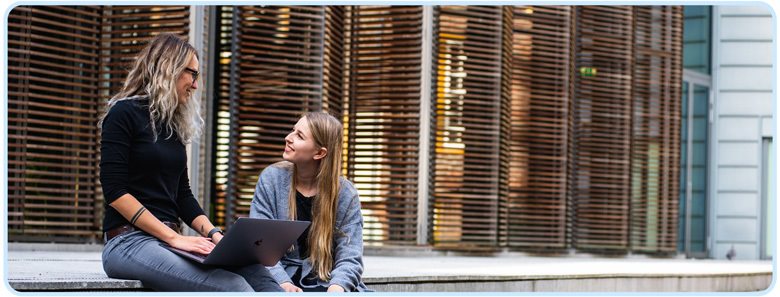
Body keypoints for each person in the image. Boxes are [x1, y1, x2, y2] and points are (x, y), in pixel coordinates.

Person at [98, 33, 282, 292]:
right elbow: (115, 192)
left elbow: (182, 196)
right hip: (128, 242)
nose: (195, 85)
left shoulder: (172, 125)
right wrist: (175, 238)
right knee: (234, 286)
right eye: (192, 74)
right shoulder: (123, 113)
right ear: (169, 68)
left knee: (258, 275)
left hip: (167, 242)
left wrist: (216, 236)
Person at [250, 112, 370, 292]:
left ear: (320, 153)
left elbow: (350, 255)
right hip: (275, 278)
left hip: (325, 279)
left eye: (299, 136)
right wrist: (282, 283)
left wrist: (338, 287)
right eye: (293, 130)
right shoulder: (271, 179)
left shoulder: (345, 194)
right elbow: (261, 245)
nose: (288, 138)